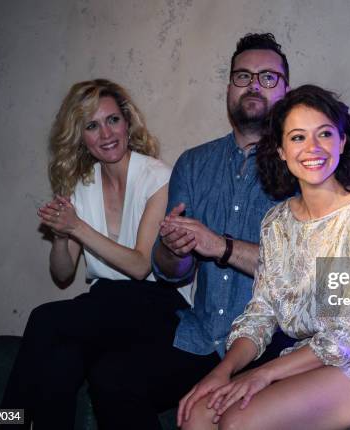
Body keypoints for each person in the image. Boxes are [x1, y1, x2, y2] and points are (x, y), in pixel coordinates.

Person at [87, 33, 295, 428]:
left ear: (287, 90)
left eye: (268, 78)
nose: (253, 85)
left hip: (272, 345)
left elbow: (299, 273)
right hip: (201, 338)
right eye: (242, 76)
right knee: (113, 376)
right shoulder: (194, 163)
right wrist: (174, 247)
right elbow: (171, 272)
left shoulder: (303, 164)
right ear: (228, 88)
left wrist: (220, 245)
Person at [178, 85, 350, 430]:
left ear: (342, 142)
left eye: (325, 134)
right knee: (198, 416)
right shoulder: (276, 223)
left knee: (238, 422)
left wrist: (262, 375)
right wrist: (221, 372)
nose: (313, 148)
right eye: (298, 137)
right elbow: (260, 315)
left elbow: (348, 335)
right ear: (281, 150)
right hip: (308, 360)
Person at [0, 79, 186, 430]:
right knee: (62, 362)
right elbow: (63, 272)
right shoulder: (80, 184)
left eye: (113, 120)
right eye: (92, 126)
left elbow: (140, 264)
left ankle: (1, 422)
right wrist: (60, 236)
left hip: (154, 305)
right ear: (81, 137)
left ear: (127, 123)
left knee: (44, 319)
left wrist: (78, 228)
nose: (106, 134)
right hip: (105, 306)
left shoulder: (157, 177)